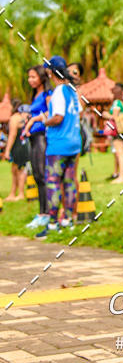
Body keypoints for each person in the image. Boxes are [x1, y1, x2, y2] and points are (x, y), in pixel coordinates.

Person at [35, 56, 81, 238]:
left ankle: (53, 223)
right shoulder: (72, 91)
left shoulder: (59, 91)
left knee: (53, 183)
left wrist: (45, 121)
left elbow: (59, 117)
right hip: (74, 142)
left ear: (51, 72)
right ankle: (68, 220)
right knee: (69, 182)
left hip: (59, 144)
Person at [23, 66, 52, 229]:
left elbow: (51, 113)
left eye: (33, 77)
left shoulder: (48, 95)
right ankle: (41, 212)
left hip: (42, 136)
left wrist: (34, 120)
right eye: (29, 77)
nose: (30, 80)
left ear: (41, 77)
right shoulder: (35, 95)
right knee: (36, 175)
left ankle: (46, 213)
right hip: (32, 138)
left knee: (42, 174)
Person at [1, 99, 30, 201]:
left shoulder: (14, 118)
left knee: (19, 170)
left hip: (18, 147)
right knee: (14, 170)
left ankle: (21, 194)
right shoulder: (21, 117)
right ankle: (12, 193)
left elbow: (12, 135)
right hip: (23, 146)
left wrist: (7, 151)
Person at [103, 83, 123, 183]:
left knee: (120, 153)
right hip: (122, 130)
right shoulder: (122, 102)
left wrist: (105, 115)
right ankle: (122, 174)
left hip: (117, 130)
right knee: (122, 152)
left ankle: (121, 176)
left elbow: (115, 117)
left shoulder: (117, 103)